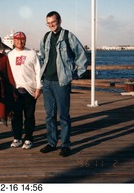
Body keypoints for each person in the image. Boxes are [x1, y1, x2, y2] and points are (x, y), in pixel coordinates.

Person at [39, 11, 88, 157]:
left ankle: (65, 145)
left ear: (59, 21)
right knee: (49, 115)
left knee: (64, 116)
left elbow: (81, 55)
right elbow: (42, 56)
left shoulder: (68, 36)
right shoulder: (46, 37)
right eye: (48, 23)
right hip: (47, 81)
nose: (51, 25)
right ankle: (51, 142)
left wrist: (76, 73)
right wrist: (43, 71)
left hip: (61, 82)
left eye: (53, 22)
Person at [8, 31, 42, 149]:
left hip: (29, 89)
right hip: (15, 91)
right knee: (16, 116)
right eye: (17, 39)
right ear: (14, 41)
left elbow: (38, 71)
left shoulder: (32, 53)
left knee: (29, 116)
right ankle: (17, 138)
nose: (20, 41)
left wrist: (38, 88)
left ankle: (28, 138)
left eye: (22, 39)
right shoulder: (9, 55)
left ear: (25, 40)